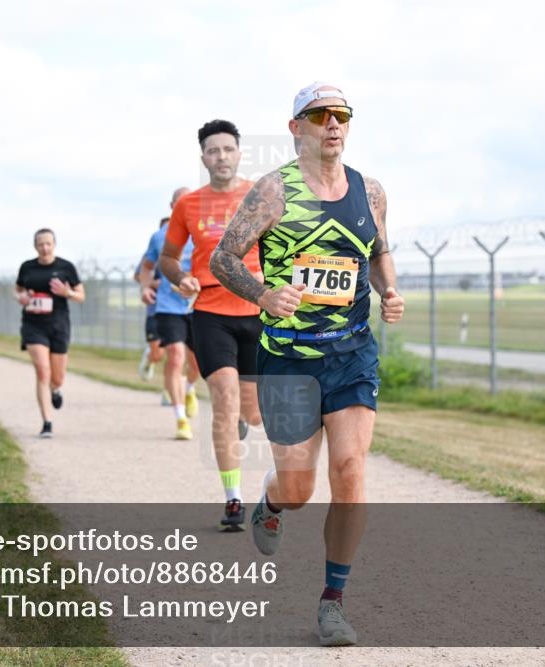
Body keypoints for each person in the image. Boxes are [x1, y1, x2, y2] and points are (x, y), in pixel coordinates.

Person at [210, 82, 406, 646]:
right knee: (299, 487)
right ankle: (271, 503)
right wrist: (264, 296)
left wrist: (388, 290)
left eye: (341, 114)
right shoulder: (272, 193)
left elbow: (377, 252)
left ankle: (332, 602)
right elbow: (225, 257)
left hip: (351, 355)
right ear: (296, 127)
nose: (333, 124)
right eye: (320, 115)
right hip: (289, 362)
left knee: (350, 471)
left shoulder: (371, 192)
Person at [159, 119, 263, 532]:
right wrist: (177, 276)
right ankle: (233, 499)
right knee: (223, 396)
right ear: (203, 158)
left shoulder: (261, 198)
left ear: (238, 153)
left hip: (257, 311)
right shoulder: (188, 205)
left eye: (228, 149)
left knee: (252, 414)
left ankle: (241, 419)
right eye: (213, 151)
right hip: (210, 313)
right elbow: (169, 257)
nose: (221, 156)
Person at [142, 191, 202, 440]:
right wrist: (146, 287)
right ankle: (180, 418)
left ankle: (189, 389)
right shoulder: (159, 237)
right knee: (176, 357)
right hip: (168, 307)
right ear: (172, 207)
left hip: (198, 305)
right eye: (180, 203)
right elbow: (146, 266)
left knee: (197, 362)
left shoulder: (204, 232)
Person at [14, 228, 85, 438]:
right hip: (33, 325)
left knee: (57, 377)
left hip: (59, 324)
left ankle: (55, 390)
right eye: (40, 244)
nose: (44, 248)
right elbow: (17, 290)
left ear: (54, 244)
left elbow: (81, 295)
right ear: (35, 246)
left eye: (48, 244)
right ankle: (47, 422)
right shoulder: (27, 268)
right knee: (42, 371)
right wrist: (21, 297)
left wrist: (67, 292)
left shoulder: (65, 267)